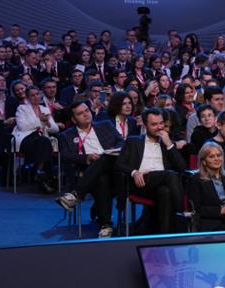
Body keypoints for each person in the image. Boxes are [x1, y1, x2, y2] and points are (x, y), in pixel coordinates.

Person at [55, 100, 124, 237]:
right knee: (102, 180)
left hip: (114, 168)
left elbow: (121, 142)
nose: (86, 114)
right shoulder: (66, 135)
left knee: (104, 158)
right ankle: (106, 225)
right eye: (80, 113)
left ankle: (76, 194)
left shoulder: (105, 125)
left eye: (87, 110)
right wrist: (86, 157)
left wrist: (111, 151)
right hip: (89, 173)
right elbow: (65, 156)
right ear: (73, 119)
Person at [115, 107, 187, 233]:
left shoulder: (167, 143)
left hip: (161, 183)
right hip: (140, 183)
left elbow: (182, 168)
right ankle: (182, 218)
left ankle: (165, 237)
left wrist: (169, 144)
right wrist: (135, 172)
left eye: (161, 123)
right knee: (170, 175)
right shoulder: (133, 141)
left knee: (165, 192)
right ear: (145, 125)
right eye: (154, 124)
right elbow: (119, 164)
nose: (159, 127)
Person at [12, 85, 60, 192]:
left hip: (41, 140)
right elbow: (23, 126)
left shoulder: (45, 109)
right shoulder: (22, 108)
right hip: (26, 139)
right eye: (32, 95)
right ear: (28, 97)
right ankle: (47, 176)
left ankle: (40, 173)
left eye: (37, 94)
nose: (36, 97)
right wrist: (40, 120)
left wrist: (47, 122)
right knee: (44, 142)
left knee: (44, 142)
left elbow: (55, 129)